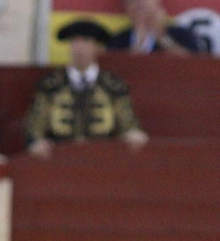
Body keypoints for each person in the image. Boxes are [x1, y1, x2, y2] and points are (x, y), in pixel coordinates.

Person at [25, 19, 149, 160]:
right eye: (74, 41)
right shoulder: (51, 86)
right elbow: (35, 125)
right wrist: (35, 142)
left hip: (103, 160)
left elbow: (128, 123)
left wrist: (133, 134)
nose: (79, 47)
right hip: (59, 158)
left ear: (98, 48)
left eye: (86, 41)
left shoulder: (113, 87)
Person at [109, 0, 203, 54]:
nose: (138, 2)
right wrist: (139, 42)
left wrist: (162, 37)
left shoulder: (181, 34)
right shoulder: (118, 40)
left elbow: (192, 64)